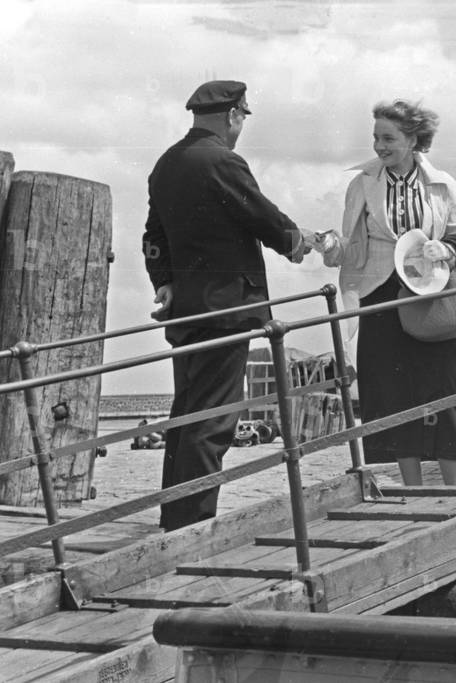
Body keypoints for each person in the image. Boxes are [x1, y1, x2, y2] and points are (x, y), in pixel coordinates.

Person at [143, 80, 310, 531]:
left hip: (189, 313)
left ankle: (175, 516)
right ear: (234, 114)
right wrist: (301, 242)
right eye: (242, 116)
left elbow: (153, 236)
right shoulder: (223, 160)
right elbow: (261, 215)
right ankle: (194, 524)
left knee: (188, 413)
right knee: (215, 418)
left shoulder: (166, 165)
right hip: (228, 311)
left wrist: (165, 283)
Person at [313, 99, 456, 486]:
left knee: (442, 384)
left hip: (430, 294)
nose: (379, 146)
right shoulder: (362, 184)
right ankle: (413, 487)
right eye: (375, 138)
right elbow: (349, 248)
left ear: (414, 139)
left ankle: (454, 487)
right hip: (380, 296)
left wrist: (445, 249)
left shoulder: (444, 185)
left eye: (389, 138)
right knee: (394, 391)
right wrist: (328, 245)